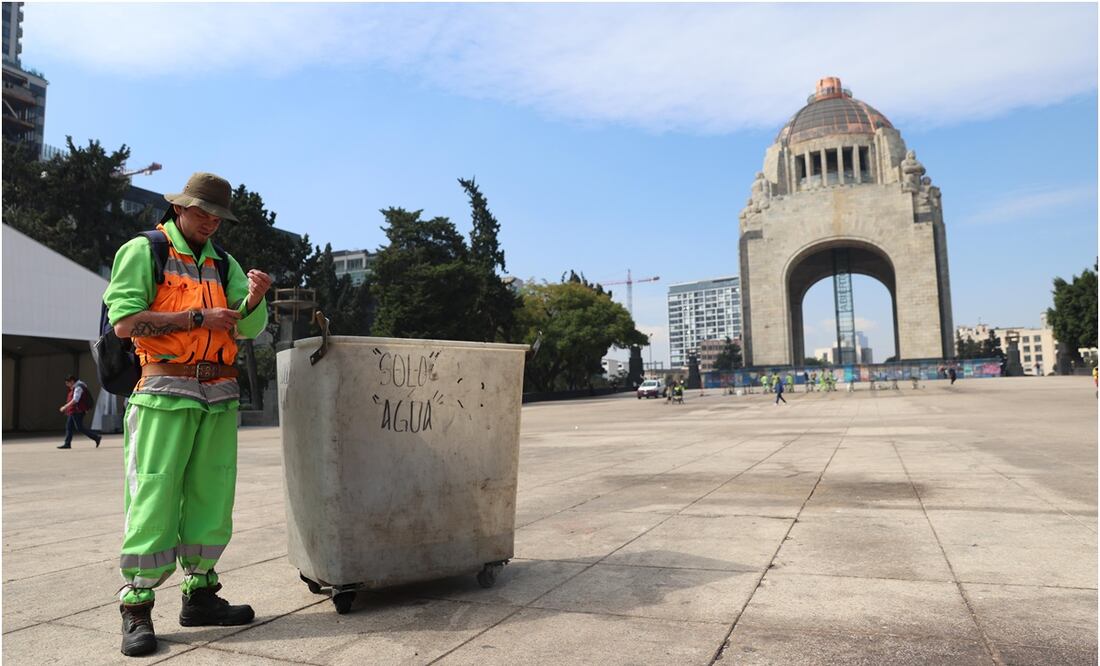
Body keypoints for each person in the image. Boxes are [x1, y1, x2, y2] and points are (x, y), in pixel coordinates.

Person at [102, 173, 272, 657]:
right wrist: (197, 318)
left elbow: (248, 327)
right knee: (154, 494)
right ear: (180, 208)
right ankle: (136, 605)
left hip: (218, 396)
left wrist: (254, 298)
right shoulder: (146, 250)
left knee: (212, 496)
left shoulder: (225, 262)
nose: (211, 221)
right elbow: (125, 323)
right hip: (161, 391)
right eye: (203, 212)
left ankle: (200, 595)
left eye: (218, 215)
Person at [58, 375, 101, 449]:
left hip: (77, 410)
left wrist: (65, 407)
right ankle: (67, 443)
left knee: (79, 427)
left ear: (72, 381)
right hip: (74, 410)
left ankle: (96, 437)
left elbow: (75, 399)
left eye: (68, 383)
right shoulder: (79, 385)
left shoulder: (78, 387)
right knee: (69, 426)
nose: (67, 385)